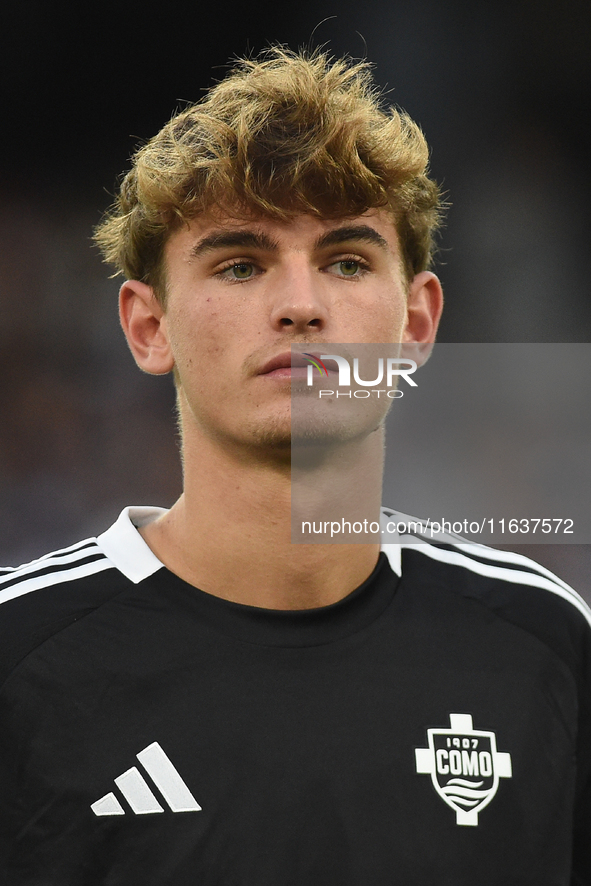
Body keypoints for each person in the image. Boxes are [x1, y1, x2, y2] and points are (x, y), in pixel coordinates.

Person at [0, 47, 589, 885]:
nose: (302, 306)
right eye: (240, 265)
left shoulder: (544, 644)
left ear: (416, 323)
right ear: (147, 326)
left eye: (346, 261)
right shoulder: (20, 658)